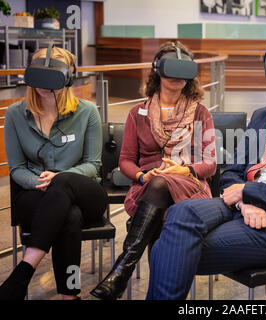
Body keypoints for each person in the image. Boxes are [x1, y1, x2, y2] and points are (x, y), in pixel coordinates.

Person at [145, 37, 266, 300]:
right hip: (243, 207)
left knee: (166, 249)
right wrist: (245, 202)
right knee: (181, 212)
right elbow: (231, 173)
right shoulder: (261, 116)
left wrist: (249, 192)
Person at [90, 41, 217, 300]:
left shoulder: (200, 112)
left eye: (185, 70)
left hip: (189, 185)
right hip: (148, 187)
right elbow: (125, 160)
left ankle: (122, 269)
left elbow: (210, 163)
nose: (178, 77)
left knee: (162, 186)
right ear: (158, 70)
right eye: (172, 69)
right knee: (160, 204)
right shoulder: (138, 113)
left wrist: (184, 170)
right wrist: (141, 175)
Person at [0, 46, 108, 300]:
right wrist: (41, 181)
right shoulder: (16, 114)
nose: (45, 83)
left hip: (85, 191)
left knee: (65, 183)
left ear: (68, 78)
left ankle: (22, 274)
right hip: (35, 194)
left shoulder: (87, 112)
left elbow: (93, 164)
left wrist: (58, 178)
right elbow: (16, 169)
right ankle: (70, 296)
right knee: (69, 215)